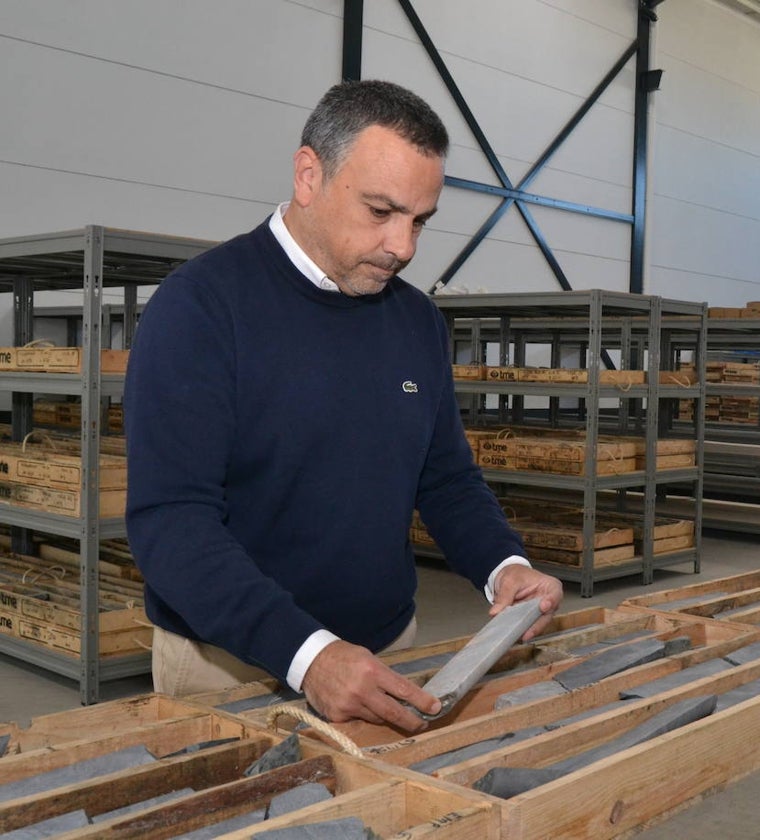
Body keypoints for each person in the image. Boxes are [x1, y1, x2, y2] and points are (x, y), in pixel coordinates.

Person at [125, 79, 563, 732]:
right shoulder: (202, 309)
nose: (404, 246)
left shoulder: (416, 322)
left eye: (419, 220)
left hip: (385, 653)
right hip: (229, 668)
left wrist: (506, 566)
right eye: (381, 211)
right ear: (309, 175)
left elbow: (445, 477)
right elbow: (171, 525)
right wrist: (310, 656)